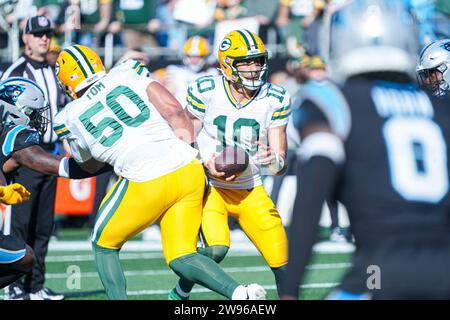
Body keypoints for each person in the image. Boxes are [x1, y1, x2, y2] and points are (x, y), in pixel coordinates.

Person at [54, 44, 267, 300]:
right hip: (187, 167)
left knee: (103, 244)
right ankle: (240, 293)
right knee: (181, 255)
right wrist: (194, 152)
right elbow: (174, 111)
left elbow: (87, 164)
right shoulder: (127, 72)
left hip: (145, 180)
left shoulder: (67, 116)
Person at [281, 0, 450, 300]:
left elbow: (309, 200)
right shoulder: (439, 110)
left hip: (380, 271)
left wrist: (290, 290)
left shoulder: (333, 102)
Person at [170, 29, 290, 300]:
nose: (254, 68)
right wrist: (202, 160)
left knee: (282, 260)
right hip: (212, 188)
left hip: (251, 189)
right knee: (216, 250)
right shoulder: (207, 90)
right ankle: (179, 295)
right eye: (246, 62)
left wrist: (275, 160)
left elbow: (280, 164)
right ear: (227, 64)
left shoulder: (275, 97)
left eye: (258, 60)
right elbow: (184, 136)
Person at [0, 77, 113, 298]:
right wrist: (113, 158)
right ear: (15, 111)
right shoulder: (15, 136)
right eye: (33, 112)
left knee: (25, 254)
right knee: (24, 257)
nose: (37, 119)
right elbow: (63, 167)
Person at [1, 15, 68, 300]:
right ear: (25, 37)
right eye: (38, 33)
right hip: (23, 155)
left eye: (47, 33)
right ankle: (15, 285)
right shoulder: (15, 71)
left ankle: (35, 285)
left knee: (43, 227)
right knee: (21, 222)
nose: (44, 38)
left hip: (50, 151)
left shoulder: (55, 70)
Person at [165, 36, 217, 104]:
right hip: (180, 111)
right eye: (190, 56)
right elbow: (169, 92)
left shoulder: (213, 73)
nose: (194, 60)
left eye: (198, 56)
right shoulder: (175, 70)